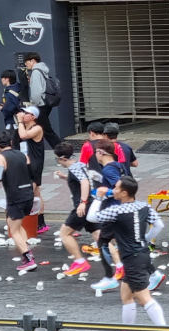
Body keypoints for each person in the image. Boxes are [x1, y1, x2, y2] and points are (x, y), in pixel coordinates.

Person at [85, 176, 169, 331]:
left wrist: (99, 198)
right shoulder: (144, 206)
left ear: (124, 193)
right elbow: (158, 225)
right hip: (141, 254)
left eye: (117, 188)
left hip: (131, 258)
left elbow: (91, 217)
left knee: (144, 298)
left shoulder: (116, 211)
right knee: (126, 296)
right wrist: (144, 240)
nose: (114, 189)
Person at [0, 130, 38, 272]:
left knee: (13, 231)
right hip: (28, 195)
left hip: (15, 197)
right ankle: (27, 253)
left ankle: (29, 259)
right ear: (11, 143)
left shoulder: (0, 157)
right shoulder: (23, 155)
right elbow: (32, 174)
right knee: (18, 226)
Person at [88, 139, 127, 291]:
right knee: (127, 244)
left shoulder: (108, 169)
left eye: (96, 152)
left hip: (113, 211)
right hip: (119, 209)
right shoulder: (118, 165)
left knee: (102, 242)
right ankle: (152, 272)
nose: (95, 156)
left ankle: (109, 277)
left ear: (101, 153)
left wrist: (105, 193)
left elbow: (120, 186)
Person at [54, 142, 93, 276]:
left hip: (83, 207)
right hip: (91, 205)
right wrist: (65, 177)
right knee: (100, 237)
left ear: (63, 158)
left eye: (57, 159)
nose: (58, 162)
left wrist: (83, 202)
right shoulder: (80, 165)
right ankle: (121, 263)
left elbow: (84, 182)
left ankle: (80, 261)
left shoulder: (73, 168)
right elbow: (81, 179)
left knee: (64, 234)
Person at [17, 107, 49, 234]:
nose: (23, 115)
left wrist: (19, 122)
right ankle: (41, 223)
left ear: (33, 116)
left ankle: (28, 221)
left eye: (26, 113)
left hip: (34, 165)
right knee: (36, 194)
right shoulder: (25, 127)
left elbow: (23, 136)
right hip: (28, 163)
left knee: (28, 193)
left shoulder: (37, 128)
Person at [24, 52, 62, 147]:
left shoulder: (36, 72)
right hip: (46, 103)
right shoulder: (43, 70)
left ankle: (63, 153)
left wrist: (33, 106)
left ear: (33, 61)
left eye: (27, 62)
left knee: (47, 131)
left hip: (40, 105)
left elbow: (36, 92)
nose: (26, 64)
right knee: (42, 129)